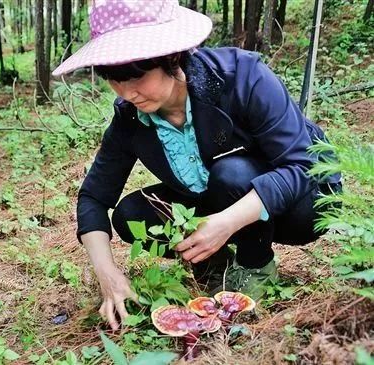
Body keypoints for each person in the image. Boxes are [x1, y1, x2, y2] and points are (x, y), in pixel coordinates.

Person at [52, 0, 342, 330]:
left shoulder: (242, 77)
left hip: (299, 199)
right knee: (130, 215)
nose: (127, 91)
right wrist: (108, 274)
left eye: (137, 76)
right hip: (214, 193)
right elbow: (93, 198)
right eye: (114, 79)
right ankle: (212, 265)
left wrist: (227, 222)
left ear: (171, 57)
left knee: (233, 174)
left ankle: (254, 263)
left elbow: (302, 165)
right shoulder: (130, 116)